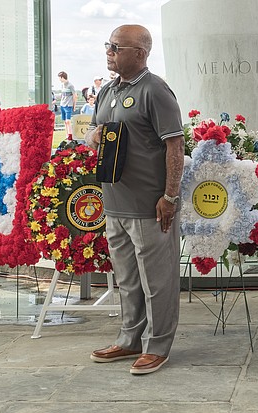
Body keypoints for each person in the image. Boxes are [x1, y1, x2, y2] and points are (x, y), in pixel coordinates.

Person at [85, 24, 184, 374]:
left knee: (157, 281)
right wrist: (93, 136)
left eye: (117, 46)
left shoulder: (155, 90)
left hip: (149, 205)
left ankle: (158, 346)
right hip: (115, 203)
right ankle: (129, 339)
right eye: (108, 44)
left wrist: (170, 196)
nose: (109, 51)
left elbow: (175, 145)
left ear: (140, 53)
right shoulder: (108, 90)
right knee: (127, 278)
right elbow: (97, 134)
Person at [58, 71, 77, 140]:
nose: (59, 79)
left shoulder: (70, 85)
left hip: (68, 105)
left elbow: (75, 96)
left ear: (62, 77)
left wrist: (74, 106)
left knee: (68, 121)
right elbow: (62, 95)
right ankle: (67, 135)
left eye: (59, 78)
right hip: (62, 104)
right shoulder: (62, 85)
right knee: (65, 121)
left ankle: (70, 134)